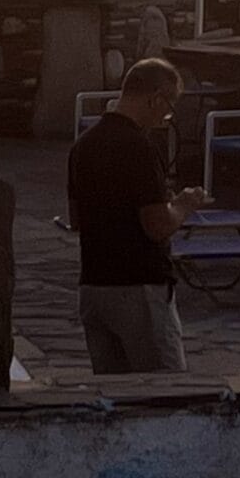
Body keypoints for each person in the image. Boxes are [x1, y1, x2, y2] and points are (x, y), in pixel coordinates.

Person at [67, 56, 207, 373]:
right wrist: (183, 206)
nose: (166, 116)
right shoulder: (138, 147)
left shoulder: (82, 145)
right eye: (168, 107)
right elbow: (157, 225)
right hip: (138, 286)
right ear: (155, 98)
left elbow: (77, 218)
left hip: (94, 287)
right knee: (165, 396)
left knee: (115, 396)